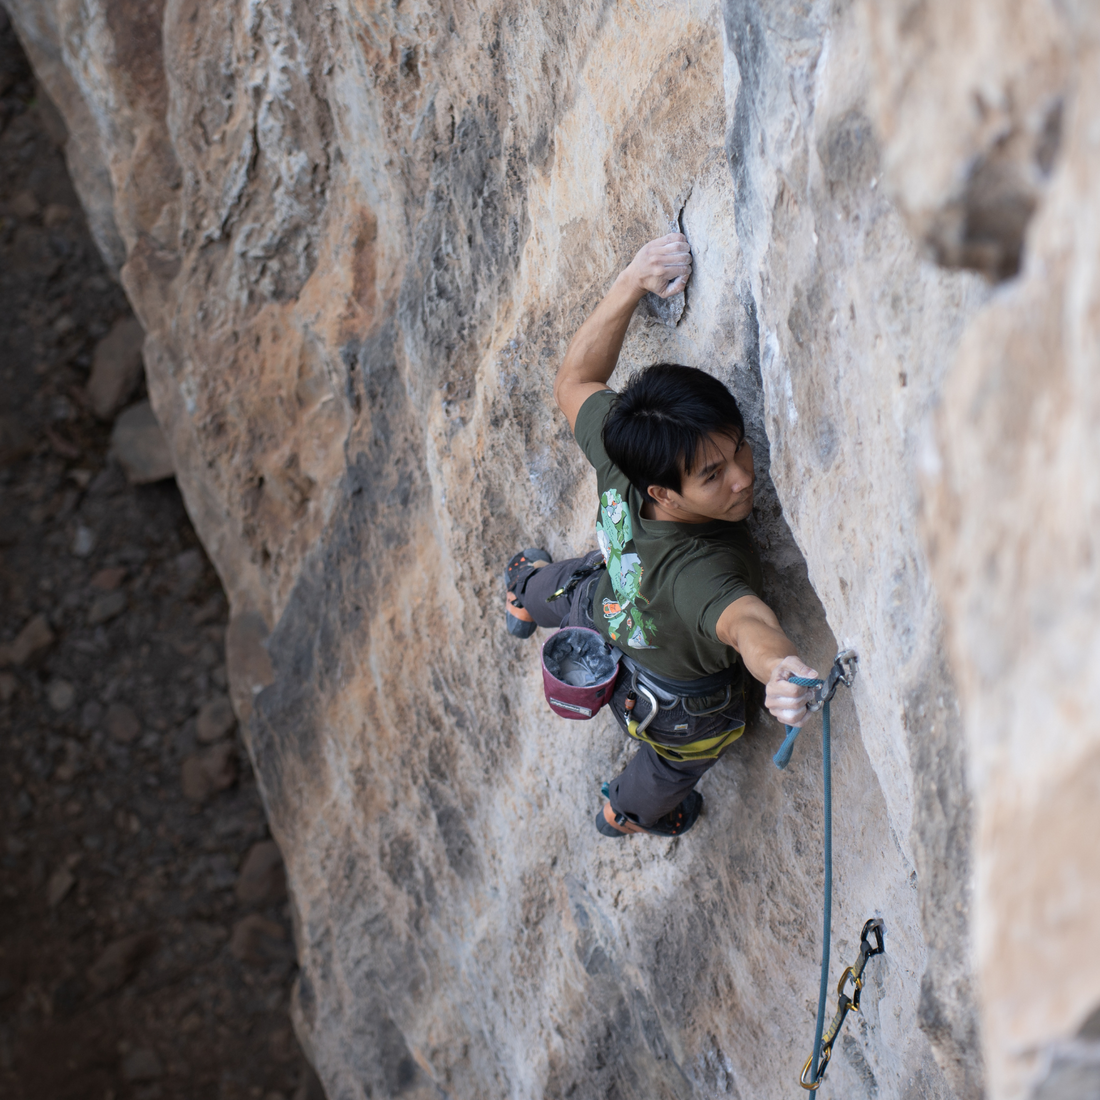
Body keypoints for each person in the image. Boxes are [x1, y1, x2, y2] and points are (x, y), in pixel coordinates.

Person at [505, 232, 819, 837]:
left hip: (608, 601)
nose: (742, 478)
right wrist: (777, 671)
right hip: (682, 705)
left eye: (739, 449)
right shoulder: (698, 572)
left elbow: (575, 380)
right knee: (676, 762)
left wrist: (631, 282)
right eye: (713, 474)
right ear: (663, 494)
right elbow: (745, 624)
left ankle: (521, 594)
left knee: (563, 585)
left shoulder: (627, 450)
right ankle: (625, 812)